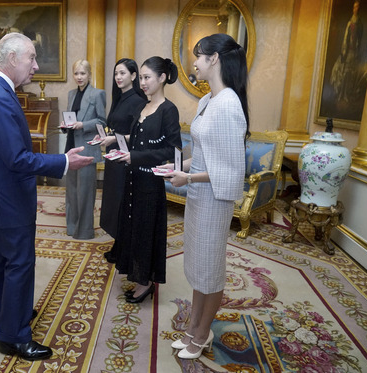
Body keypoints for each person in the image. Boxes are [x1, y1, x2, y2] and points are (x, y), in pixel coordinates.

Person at [0, 33, 93, 361]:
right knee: (20, 262)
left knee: (1, 258)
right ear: (12, 59)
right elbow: (18, 159)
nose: (36, 66)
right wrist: (65, 161)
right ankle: (14, 336)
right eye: (32, 59)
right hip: (7, 200)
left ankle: (2, 314)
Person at [164, 33, 249, 359]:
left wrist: (189, 177)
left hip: (214, 200)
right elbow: (203, 153)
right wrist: (177, 166)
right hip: (200, 195)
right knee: (199, 267)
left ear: (214, 59)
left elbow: (230, 170)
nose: (194, 63)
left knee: (210, 271)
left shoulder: (228, 105)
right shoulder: (207, 100)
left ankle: (201, 334)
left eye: (199, 56)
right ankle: (193, 328)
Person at [109, 56, 181, 303]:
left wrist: (135, 157)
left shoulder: (168, 110)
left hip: (150, 183)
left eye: (147, 77)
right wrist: (119, 146)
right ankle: (138, 275)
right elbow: (137, 140)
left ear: (162, 78)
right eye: (140, 77)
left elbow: (173, 151)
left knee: (145, 230)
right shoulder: (142, 107)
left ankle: (146, 283)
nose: (143, 82)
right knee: (131, 227)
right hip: (132, 178)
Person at [98, 58, 147, 262]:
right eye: (116, 73)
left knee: (122, 203)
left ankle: (124, 248)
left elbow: (138, 134)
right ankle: (119, 243)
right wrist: (106, 137)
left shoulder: (138, 100)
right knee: (113, 202)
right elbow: (115, 126)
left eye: (122, 73)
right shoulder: (119, 97)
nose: (118, 77)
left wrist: (113, 138)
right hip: (113, 157)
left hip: (126, 159)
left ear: (133, 76)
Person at [61, 60, 106, 239]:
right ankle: (72, 228)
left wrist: (82, 125)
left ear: (89, 75)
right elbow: (70, 120)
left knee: (85, 193)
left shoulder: (97, 94)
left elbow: (102, 122)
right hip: (71, 148)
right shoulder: (71, 94)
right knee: (71, 192)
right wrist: (65, 126)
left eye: (83, 73)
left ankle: (85, 231)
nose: (79, 77)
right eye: (76, 74)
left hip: (87, 149)